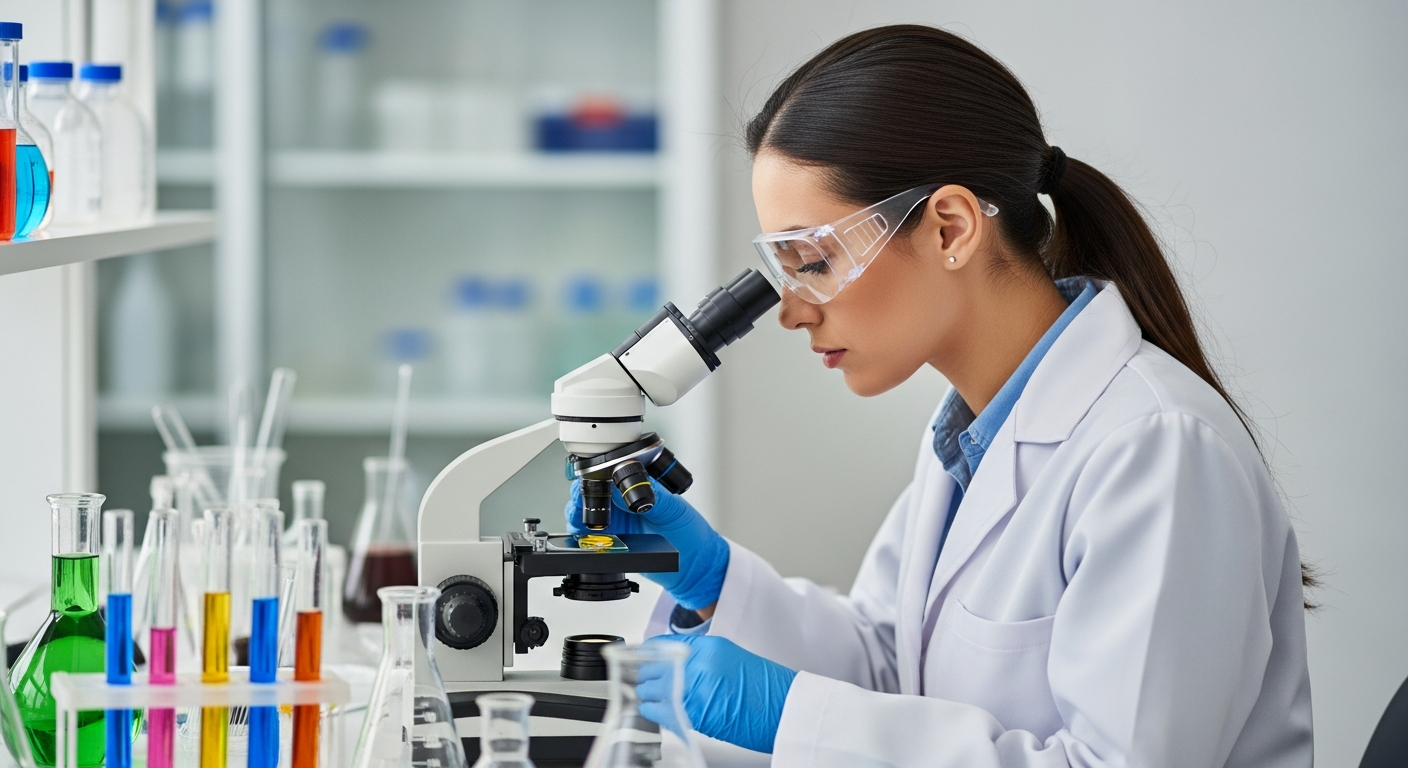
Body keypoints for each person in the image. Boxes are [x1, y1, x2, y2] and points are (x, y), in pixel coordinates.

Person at [566, 24, 1313, 767]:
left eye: (815, 260)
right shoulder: (969, 435)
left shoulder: (1158, 447)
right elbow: (895, 669)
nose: (792, 310)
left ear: (951, 228)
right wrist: (715, 579)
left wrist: (786, 714)